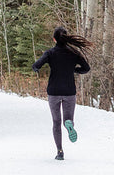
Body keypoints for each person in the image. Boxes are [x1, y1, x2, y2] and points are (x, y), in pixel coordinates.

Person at [33, 26, 91, 160]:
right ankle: (69, 124)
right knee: (67, 119)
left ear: (54, 39)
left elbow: (37, 65)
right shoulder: (74, 53)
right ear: (66, 39)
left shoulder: (50, 53)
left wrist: (36, 68)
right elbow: (86, 68)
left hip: (53, 91)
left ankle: (60, 152)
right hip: (69, 91)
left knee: (56, 122)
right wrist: (74, 70)